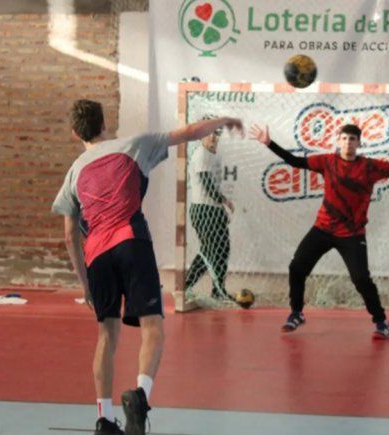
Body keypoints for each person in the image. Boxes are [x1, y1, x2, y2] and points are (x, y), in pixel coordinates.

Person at [52, 99, 242, 435]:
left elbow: (69, 235)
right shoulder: (134, 145)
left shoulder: (74, 172)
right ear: (104, 124)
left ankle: (104, 420)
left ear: (74, 134)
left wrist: (85, 284)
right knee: (152, 325)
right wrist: (223, 119)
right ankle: (140, 397)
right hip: (131, 241)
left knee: (107, 335)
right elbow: (188, 132)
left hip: (96, 256)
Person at [249, 122, 389, 339]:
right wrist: (269, 143)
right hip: (322, 228)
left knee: (361, 280)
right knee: (297, 268)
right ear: (338, 141)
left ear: (359, 143)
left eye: (352, 139)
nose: (348, 142)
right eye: (344, 138)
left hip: (352, 234)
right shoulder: (327, 161)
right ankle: (296, 313)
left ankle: (381, 321)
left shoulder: (369, 166)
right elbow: (295, 161)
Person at [184, 116, 234, 300]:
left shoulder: (213, 154)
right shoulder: (201, 155)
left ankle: (217, 291)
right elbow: (207, 185)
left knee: (222, 249)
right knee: (209, 251)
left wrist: (221, 208)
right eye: (208, 133)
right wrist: (224, 201)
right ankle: (186, 286)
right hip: (203, 210)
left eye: (216, 133)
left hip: (214, 210)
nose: (213, 137)